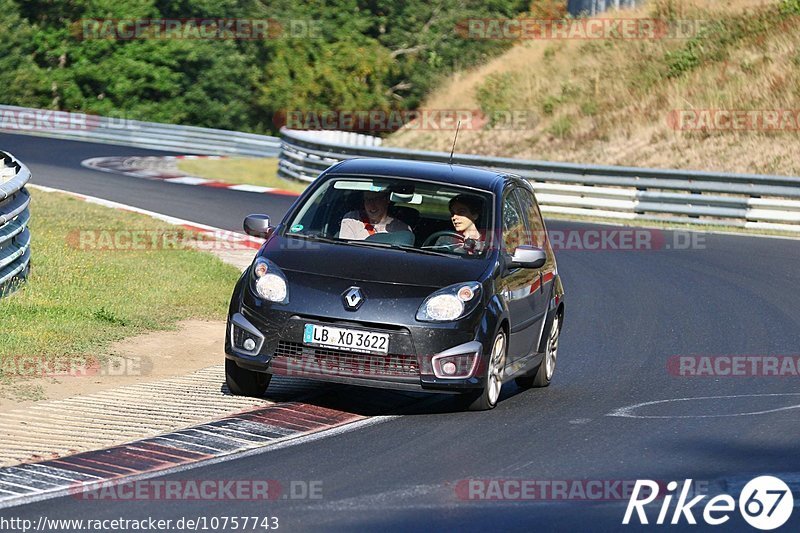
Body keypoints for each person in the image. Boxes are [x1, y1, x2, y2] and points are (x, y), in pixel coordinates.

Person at [339, 189, 411, 240]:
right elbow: (345, 250)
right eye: (367, 199)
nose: (372, 205)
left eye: (377, 199)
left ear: (387, 200)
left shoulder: (402, 229)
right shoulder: (352, 220)